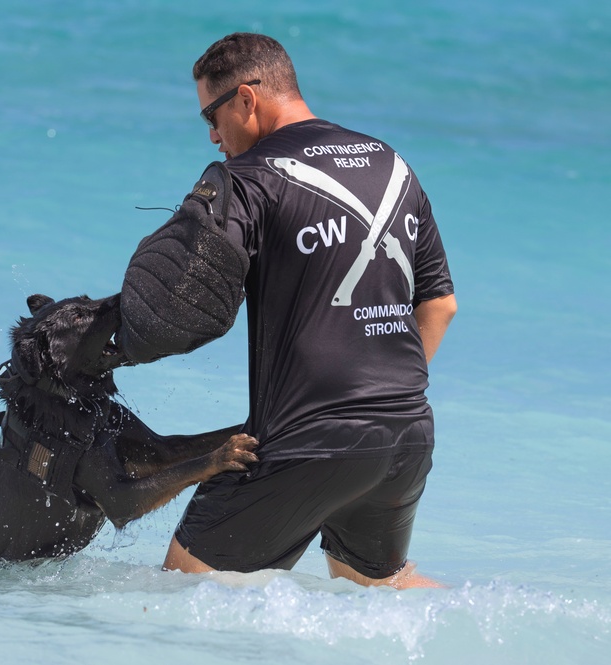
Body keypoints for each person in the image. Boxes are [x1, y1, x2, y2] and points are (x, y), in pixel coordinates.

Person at [122, 33, 457, 589]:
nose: (211, 133)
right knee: (375, 587)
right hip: (406, 434)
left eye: (212, 113)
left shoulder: (247, 178)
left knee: (183, 591)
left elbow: (182, 299)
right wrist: (380, 400)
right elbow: (440, 305)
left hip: (308, 437)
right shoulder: (391, 164)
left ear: (246, 99)